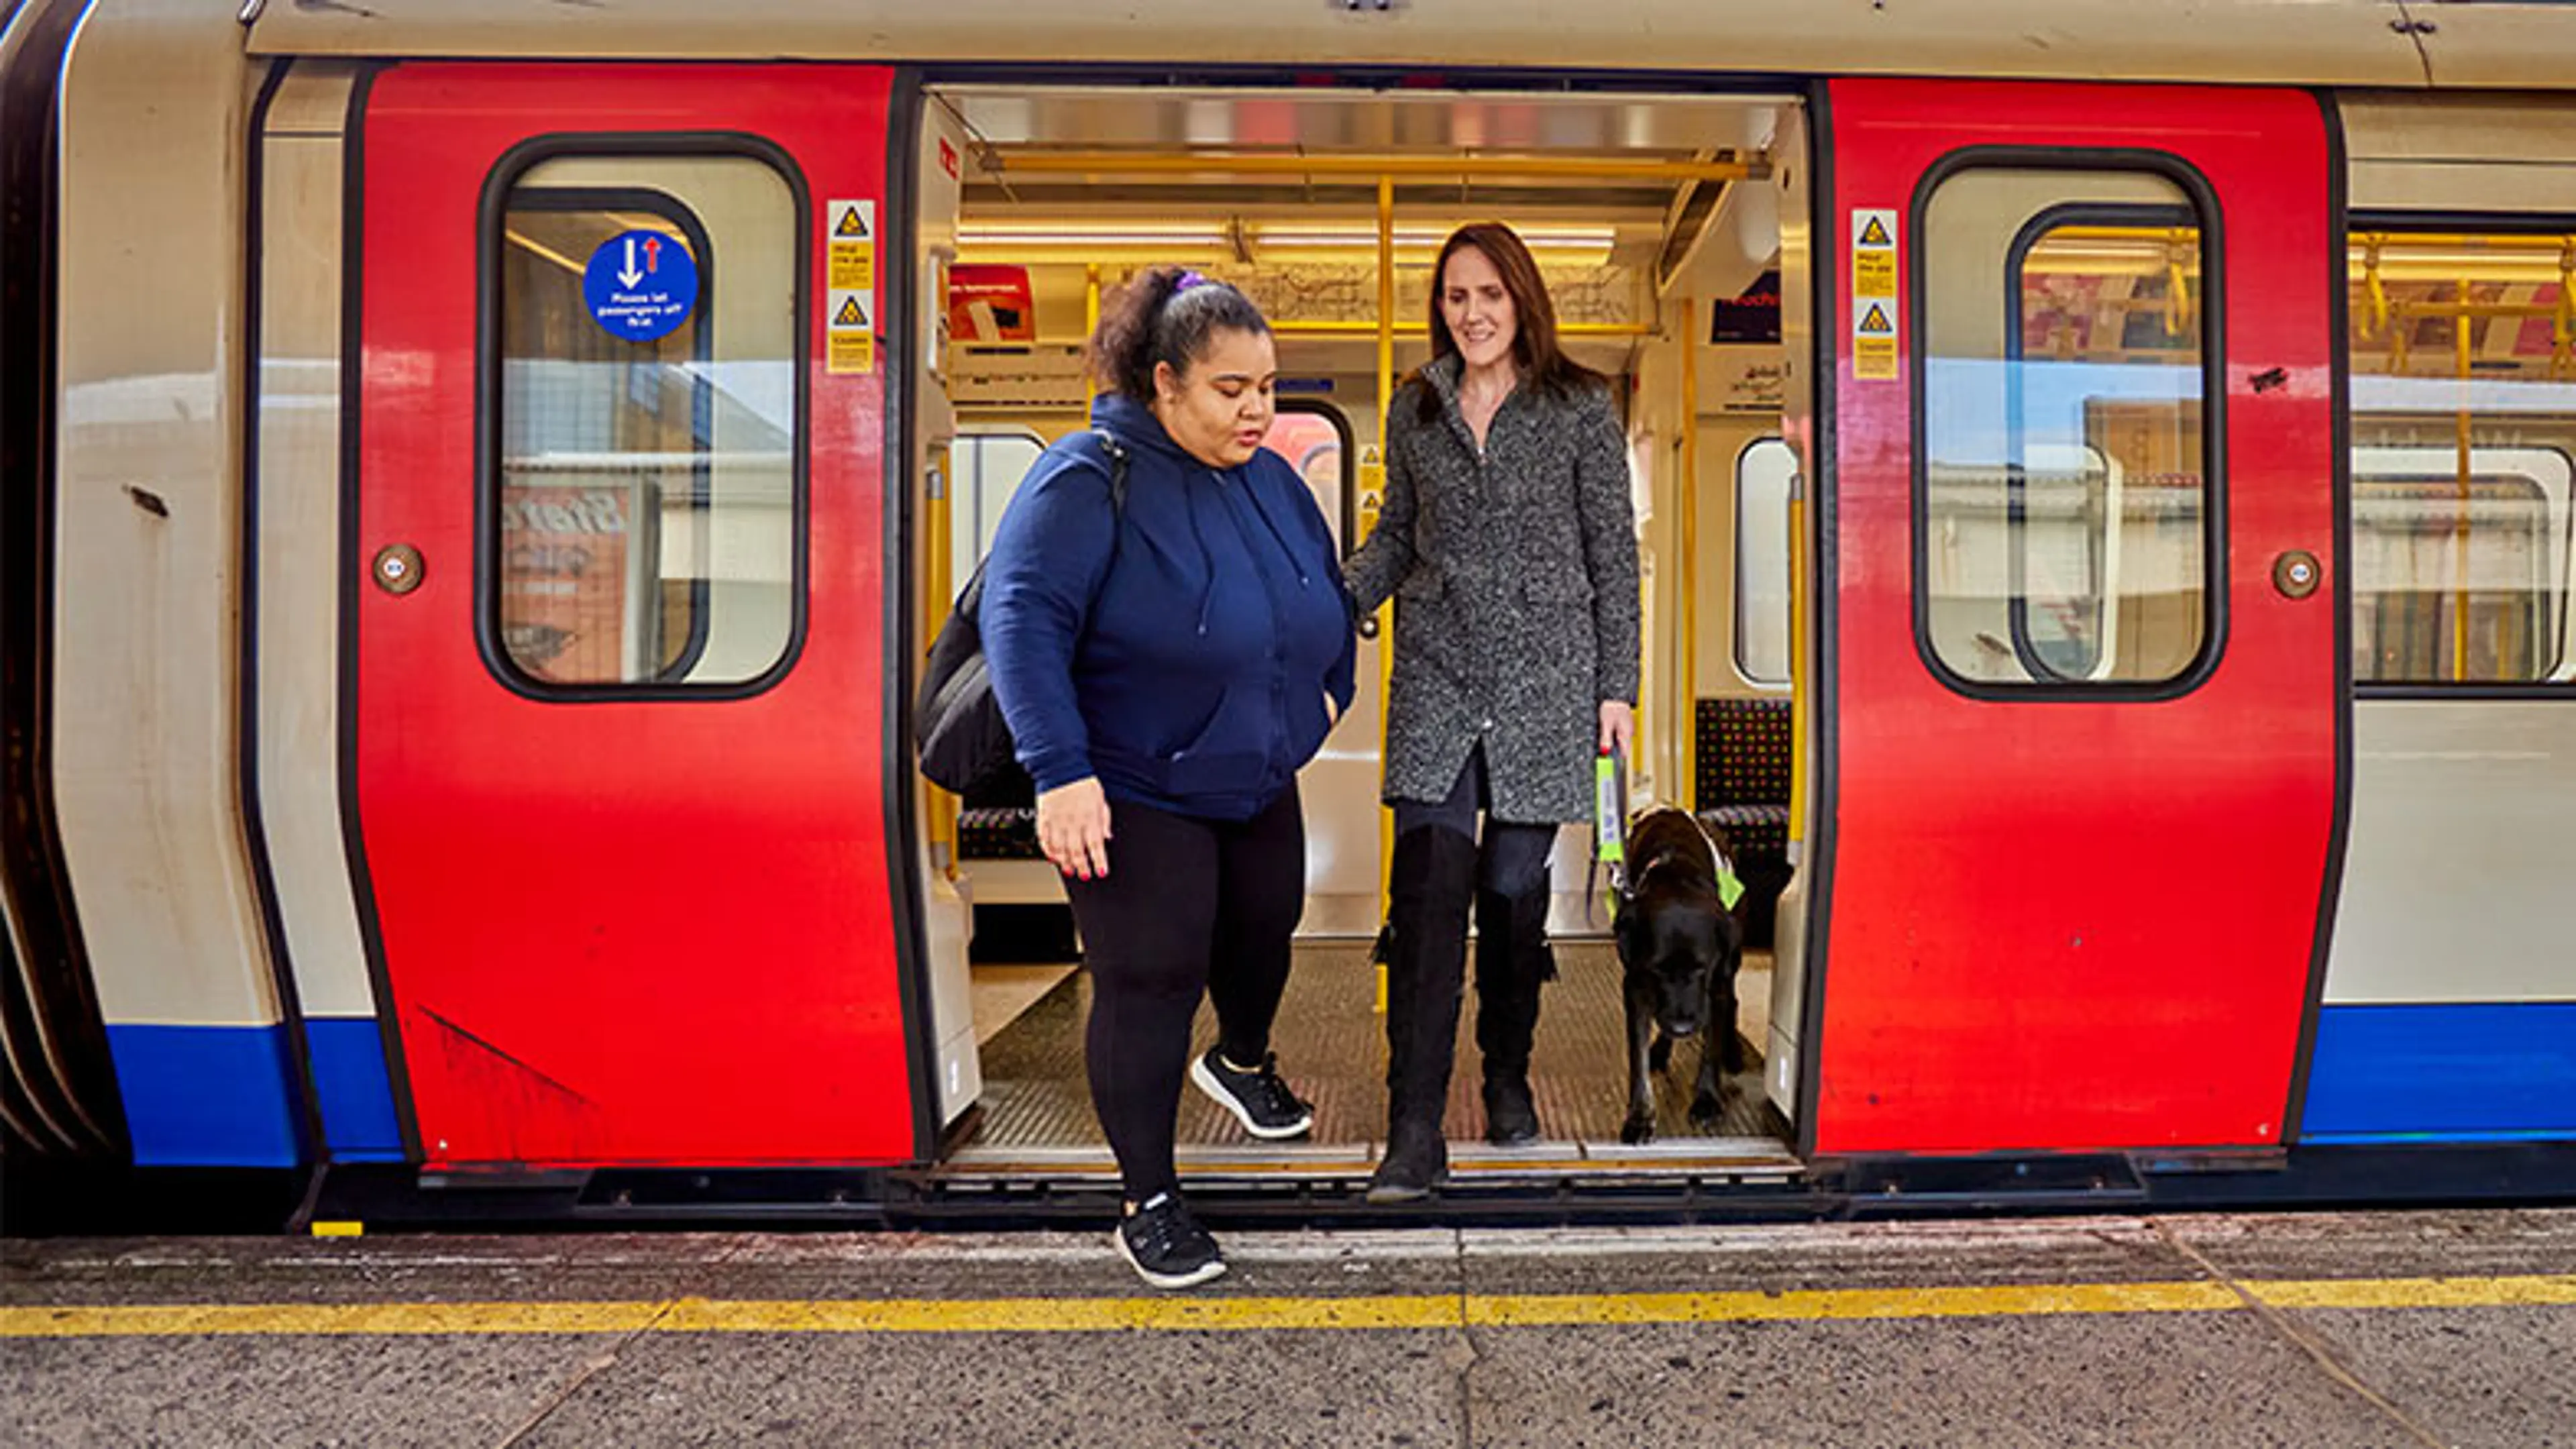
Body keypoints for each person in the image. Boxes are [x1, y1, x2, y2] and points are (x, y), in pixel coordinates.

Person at [982, 268, 1357, 1287]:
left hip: (1255, 774)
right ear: (1164, 382)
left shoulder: (1273, 480)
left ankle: (1239, 1060)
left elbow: (1325, 596)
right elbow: (1020, 622)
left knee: (1264, 927)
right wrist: (1060, 773)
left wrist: (1330, 697)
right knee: (1151, 981)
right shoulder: (1086, 475)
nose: (1257, 410)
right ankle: (1147, 1196)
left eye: (1268, 388)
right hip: (1129, 784)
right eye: (1231, 389)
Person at [1342, 223, 1641, 1203]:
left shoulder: (1580, 407)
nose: (1472, 313)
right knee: (1427, 895)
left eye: (1490, 295)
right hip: (1437, 676)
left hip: (1547, 681)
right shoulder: (1417, 405)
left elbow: (1613, 554)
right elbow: (1393, 537)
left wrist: (1619, 687)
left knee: (1513, 895)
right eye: (1456, 296)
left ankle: (1507, 1069)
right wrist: (1327, 596)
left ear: (1522, 299)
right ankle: (1413, 1127)